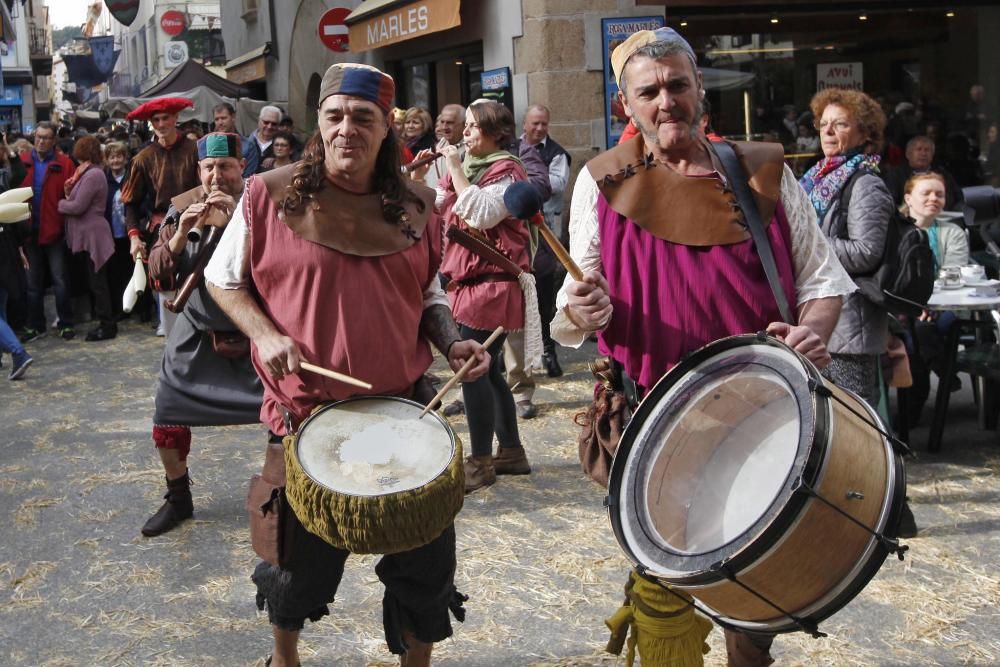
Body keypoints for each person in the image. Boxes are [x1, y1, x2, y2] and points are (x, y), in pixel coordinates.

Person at [552, 27, 854, 666]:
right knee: (667, 599)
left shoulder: (761, 169)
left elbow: (824, 281)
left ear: (699, 91)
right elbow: (577, 298)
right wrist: (581, 305)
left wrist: (813, 331)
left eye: (677, 85)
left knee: (753, 601)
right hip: (653, 424)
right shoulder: (599, 182)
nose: (666, 102)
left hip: (764, 418)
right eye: (649, 91)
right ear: (625, 106)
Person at [204, 63, 489, 667]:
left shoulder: (417, 205)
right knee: (294, 571)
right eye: (334, 116)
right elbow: (222, 280)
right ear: (319, 124)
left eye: (364, 117)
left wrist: (452, 342)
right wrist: (266, 333)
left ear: (387, 129)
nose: (347, 129)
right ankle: (285, 659)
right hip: (304, 415)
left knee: (425, 566)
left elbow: (430, 293)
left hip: (404, 410)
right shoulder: (267, 194)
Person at [140, 132, 263, 537]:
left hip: (255, 329)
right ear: (198, 170)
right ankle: (178, 498)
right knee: (167, 411)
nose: (216, 176)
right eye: (209, 168)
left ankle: (288, 495)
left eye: (225, 166)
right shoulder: (181, 208)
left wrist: (235, 227)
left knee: (291, 412)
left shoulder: (263, 204)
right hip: (196, 330)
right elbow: (158, 273)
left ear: (241, 166)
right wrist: (179, 235)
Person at [425, 100, 538, 491]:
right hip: (469, 285)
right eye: (466, 126)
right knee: (488, 370)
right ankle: (511, 451)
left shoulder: (507, 171)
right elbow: (436, 206)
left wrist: (454, 167)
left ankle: (480, 462)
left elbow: (480, 214)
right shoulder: (470, 170)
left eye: (473, 127)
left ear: (496, 133)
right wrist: (423, 174)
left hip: (491, 285)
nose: (466, 133)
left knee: (471, 372)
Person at [800, 88, 895, 410]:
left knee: (854, 419)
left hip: (850, 328)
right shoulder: (817, 177)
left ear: (864, 133)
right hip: (822, 318)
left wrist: (806, 241)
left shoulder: (866, 182)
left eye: (839, 124)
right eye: (823, 123)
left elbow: (867, 251)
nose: (827, 131)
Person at [504, 104, 572, 419]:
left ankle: (548, 351)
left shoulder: (553, 154)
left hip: (543, 234)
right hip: (509, 244)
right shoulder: (511, 149)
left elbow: (552, 186)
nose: (540, 128)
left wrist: (512, 190)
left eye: (544, 123)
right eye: (535, 123)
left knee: (544, 299)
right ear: (525, 124)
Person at [121, 96, 201, 338]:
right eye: (156, 119)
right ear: (151, 124)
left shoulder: (195, 150)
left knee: (199, 281)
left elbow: (208, 188)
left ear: (176, 118)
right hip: (162, 229)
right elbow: (130, 204)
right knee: (165, 284)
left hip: (198, 223)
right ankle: (171, 341)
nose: (161, 123)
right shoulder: (143, 158)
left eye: (166, 117)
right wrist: (134, 237)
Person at [900, 172, 970, 425]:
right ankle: (944, 368)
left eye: (939, 194)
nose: (933, 198)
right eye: (926, 193)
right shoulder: (894, 230)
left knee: (920, 331)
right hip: (902, 309)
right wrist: (915, 305)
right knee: (915, 332)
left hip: (943, 306)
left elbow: (952, 275)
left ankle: (910, 417)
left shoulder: (952, 233)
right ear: (909, 198)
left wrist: (927, 305)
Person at [19, 122, 76, 342]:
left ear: (53, 141)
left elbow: (71, 196)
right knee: (32, 284)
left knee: (60, 280)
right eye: (38, 137)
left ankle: (66, 323)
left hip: (55, 230)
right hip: (28, 231)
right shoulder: (22, 161)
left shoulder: (64, 163)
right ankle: (35, 325)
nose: (41, 141)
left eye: (46, 138)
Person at [57, 135, 116, 342]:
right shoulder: (88, 173)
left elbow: (77, 206)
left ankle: (107, 325)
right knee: (96, 281)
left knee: (98, 283)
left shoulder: (92, 175)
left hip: (94, 236)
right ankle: (106, 322)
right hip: (91, 234)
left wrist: (59, 205)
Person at [884, 136, 963, 210]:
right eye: (919, 149)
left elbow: (959, 198)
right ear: (908, 154)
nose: (923, 154)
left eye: (927, 150)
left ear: (932, 156)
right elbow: (890, 202)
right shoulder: (896, 175)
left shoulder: (942, 174)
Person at [103, 141, 133, 320]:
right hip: (111, 234)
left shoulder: (130, 178)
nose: (116, 160)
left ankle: (135, 307)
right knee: (114, 273)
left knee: (131, 271)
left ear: (125, 158)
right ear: (107, 160)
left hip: (130, 233)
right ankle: (119, 308)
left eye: (119, 156)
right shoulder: (104, 180)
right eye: (112, 157)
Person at [243, 105, 282, 177]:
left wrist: (278, 159)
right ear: (259, 121)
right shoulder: (244, 142)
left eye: (274, 124)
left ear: (279, 125)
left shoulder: (286, 144)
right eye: (266, 122)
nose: (269, 126)